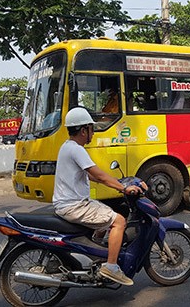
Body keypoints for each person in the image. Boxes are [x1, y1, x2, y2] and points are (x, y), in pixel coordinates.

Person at [53, 107, 145, 286]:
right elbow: (100, 175)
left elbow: (93, 176)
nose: (93, 134)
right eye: (91, 129)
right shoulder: (77, 150)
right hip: (75, 206)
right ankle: (111, 267)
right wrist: (124, 188)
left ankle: (94, 256)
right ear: (83, 130)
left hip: (70, 203)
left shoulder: (66, 147)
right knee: (119, 221)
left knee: (106, 213)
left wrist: (119, 184)